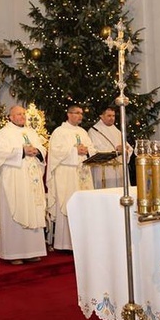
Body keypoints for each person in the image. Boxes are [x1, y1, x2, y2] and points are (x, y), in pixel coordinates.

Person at [0, 105, 48, 265]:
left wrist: (37, 151)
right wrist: (21, 151)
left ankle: (32, 251)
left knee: (32, 210)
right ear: (10, 117)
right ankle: (13, 253)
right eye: (18, 114)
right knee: (15, 211)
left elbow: (42, 148)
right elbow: (0, 155)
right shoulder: (2, 134)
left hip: (31, 180)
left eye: (23, 114)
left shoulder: (31, 132)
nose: (22, 116)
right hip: (12, 181)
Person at [47, 104, 96, 250]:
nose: (80, 116)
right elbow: (56, 152)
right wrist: (74, 151)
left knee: (83, 206)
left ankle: (82, 243)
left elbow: (92, 149)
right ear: (68, 114)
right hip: (67, 174)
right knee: (69, 204)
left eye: (81, 113)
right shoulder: (59, 132)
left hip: (83, 172)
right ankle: (65, 244)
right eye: (76, 113)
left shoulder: (83, 132)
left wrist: (87, 151)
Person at [87, 106, 133, 188]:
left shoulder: (116, 131)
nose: (112, 118)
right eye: (109, 116)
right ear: (101, 116)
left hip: (119, 169)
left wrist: (125, 149)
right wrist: (117, 150)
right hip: (104, 170)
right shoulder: (94, 131)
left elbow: (129, 148)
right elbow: (95, 150)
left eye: (113, 116)